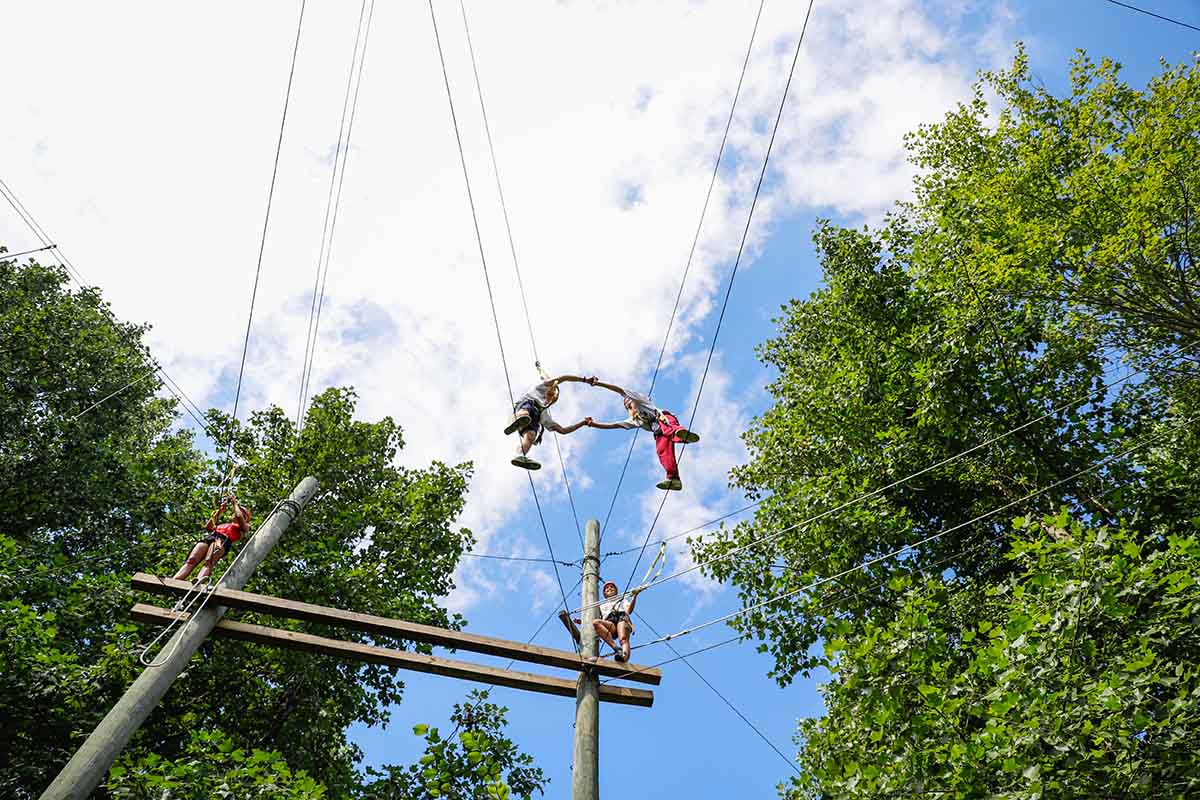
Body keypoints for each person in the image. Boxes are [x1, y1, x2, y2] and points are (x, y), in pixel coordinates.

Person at [583, 377, 700, 490]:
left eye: (628, 400)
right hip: (658, 432)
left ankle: (681, 434)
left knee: (669, 428)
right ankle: (674, 480)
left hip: (663, 418)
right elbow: (615, 425)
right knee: (662, 451)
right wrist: (593, 424)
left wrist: (598, 384)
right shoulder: (635, 420)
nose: (627, 403)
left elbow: (618, 390)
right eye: (626, 406)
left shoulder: (639, 400)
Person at [504, 372, 590, 470]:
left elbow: (563, 430)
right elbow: (564, 378)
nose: (550, 396)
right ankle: (515, 420)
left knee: (531, 435)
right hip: (526, 405)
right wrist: (585, 380)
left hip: (533, 420)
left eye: (552, 397)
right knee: (526, 412)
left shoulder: (545, 415)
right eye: (551, 392)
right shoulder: (539, 388)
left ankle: (519, 455)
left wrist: (583, 423)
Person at [172, 495, 252, 582]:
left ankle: (198, 580)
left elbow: (239, 516)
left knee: (209, 561)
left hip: (222, 540)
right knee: (191, 560)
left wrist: (235, 503)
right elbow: (209, 527)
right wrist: (219, 511)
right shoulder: (224, 524)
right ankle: (176, 579)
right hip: (211, 537)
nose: (235, 514)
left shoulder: (244, 527)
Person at [594, 580, 641, 662]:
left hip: (621, 617)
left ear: (616, 590)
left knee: (623, 638)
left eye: (612, 587)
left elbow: (628, 610)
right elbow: (597, 618)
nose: (609, 588)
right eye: (607, 588)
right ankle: (616, 648)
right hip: (610, 621)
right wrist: (583, 622)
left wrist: (634, 596)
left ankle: (624, 658)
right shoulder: (601, 604)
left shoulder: (622, 599)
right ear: (604, 593)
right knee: (596, 622)